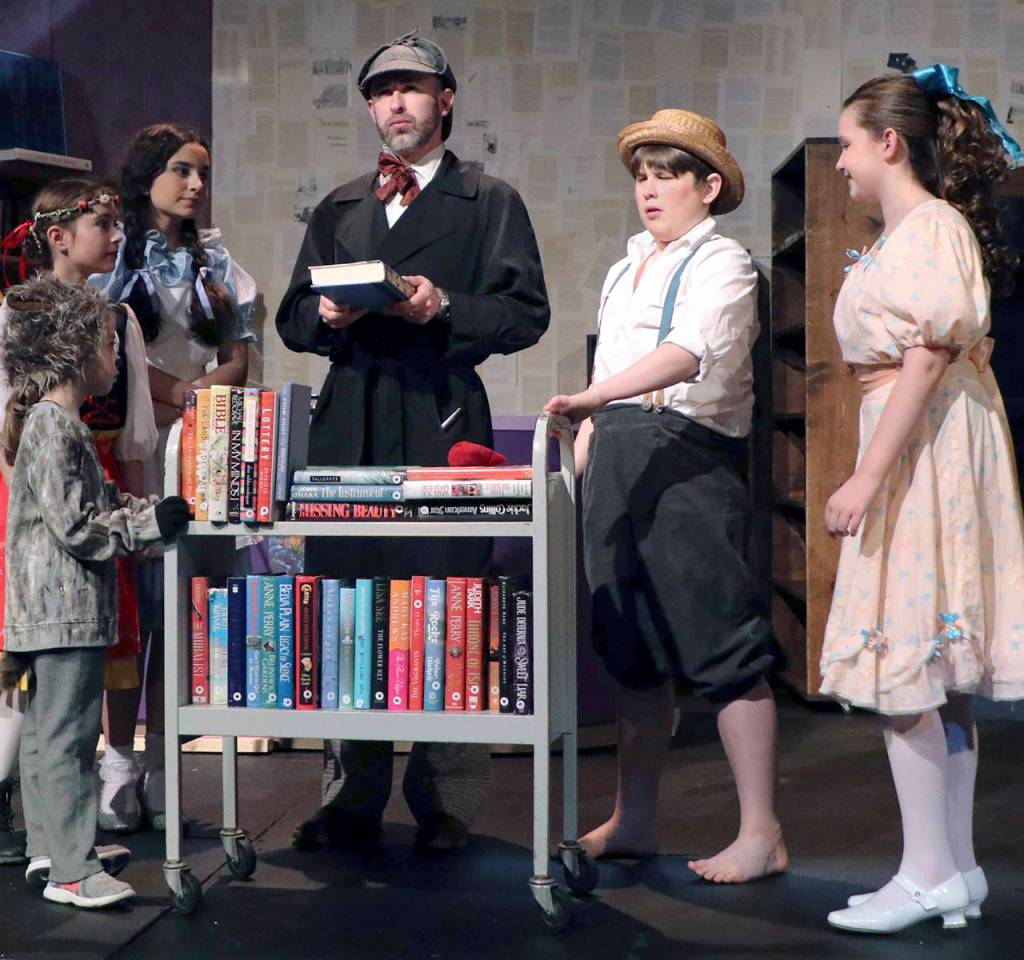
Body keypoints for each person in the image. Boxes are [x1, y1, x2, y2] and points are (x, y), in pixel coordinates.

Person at [276, 31, 549, 854]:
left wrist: (444, 308)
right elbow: (291, 316)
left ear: (446, 100)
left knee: (445, 606)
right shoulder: (340, 206)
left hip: (437, 413)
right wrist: (324, 315)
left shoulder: (487, 199)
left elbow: (525, 314)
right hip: (350, 417)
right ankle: (349, 794)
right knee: (345, 608)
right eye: (381, 91)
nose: (395, 103)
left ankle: (446, 801)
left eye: (412, 88)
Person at [545, 109, 787, 884]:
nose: (649, 189)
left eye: (667, 174)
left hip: (686, 456)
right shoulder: (626, 268)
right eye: (642, 175)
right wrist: (587, 444)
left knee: (721, 642)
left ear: (707, 186)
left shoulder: (724, 264)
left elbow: (685, 355)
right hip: (617, 453)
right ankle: (636, 819)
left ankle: (761, 830)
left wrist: (589, 400)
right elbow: (616, 371)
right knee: (633, 649)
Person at [819, 66, 1024, 935]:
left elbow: (931, 354)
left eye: (848, 144)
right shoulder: (908, 232)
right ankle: (952, 869)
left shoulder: (931, 227)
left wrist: (869, 473)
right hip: (924, 437)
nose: (840, 164)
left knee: (908, 667)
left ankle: (928, 871)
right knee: (935, 671)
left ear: (888, 143)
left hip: (926, 446)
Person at [1, 274, 189, 907]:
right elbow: (80, 526)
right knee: (67, 736)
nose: (118, 361)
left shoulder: (60, 428)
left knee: (48, 732)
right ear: (77, 351)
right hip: (63, 612)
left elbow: (100, 505)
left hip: (57, 613)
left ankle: (52, 847)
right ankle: (73, 868)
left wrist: (151, 516)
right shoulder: (55, 429)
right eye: (110, 347)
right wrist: (144, 526)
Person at [92, 122, 255, 831]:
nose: (194, 186)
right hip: (132, 445)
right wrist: (171, 394)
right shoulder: (115, 260)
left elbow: (238, 359)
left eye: (203, 174)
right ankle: (116, 762)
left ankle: (164, 761)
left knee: (184, 609)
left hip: (201, 446)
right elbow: (113, 357)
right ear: (149, 175)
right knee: (128, 615)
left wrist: (194, 398)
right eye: (182, 171)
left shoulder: (216, 263)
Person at [0, 179, 158, 859]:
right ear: (59, 234)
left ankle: (106, 788)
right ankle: (30, 814)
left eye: (119, 222)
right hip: (21, 490)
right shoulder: (14, 314)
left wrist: (142, 510)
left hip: (99, 484)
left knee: (99, 650)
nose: (115, 234)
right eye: (101, 222)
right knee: (31, 652)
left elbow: (138, 433)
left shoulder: (118, 319)